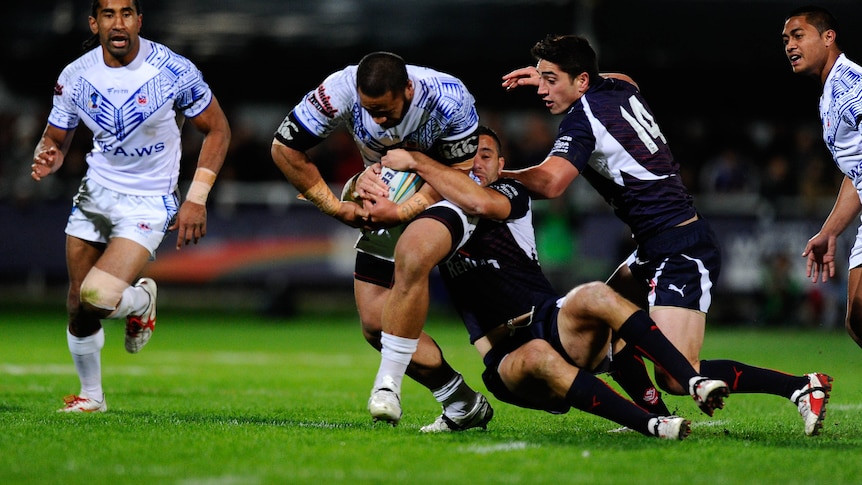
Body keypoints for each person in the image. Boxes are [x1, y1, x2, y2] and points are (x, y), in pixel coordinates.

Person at [500, 33, 832, 436]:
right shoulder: (616, 88)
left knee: (677, 376)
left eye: (551, 79)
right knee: (604, 329)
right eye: (541, 78)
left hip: (682, 249)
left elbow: (551, 184)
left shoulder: (581, 119)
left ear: (582, 80)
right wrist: (553, 74)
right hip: (653, 246)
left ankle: (800, 386)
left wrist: (496, 176)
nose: (543, 89)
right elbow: (624, 77)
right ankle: (652, 417)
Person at [380, 126, 729, 439]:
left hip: (550, 323)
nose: (475, 163)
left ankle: (688, 384)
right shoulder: (436, 217)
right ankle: (651, 423)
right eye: (467, 156)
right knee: (537, 356)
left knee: (596, 294)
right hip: (506, 356)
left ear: (501, 164)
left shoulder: (507, 191)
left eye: (484, 155)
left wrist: (416, 163)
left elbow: (479, 202)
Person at [270, 51, 493, 431]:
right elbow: (283, 148)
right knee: (376, 324)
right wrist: (337, 206)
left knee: (414, 252)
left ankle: (386, 387)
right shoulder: (337, 90)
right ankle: (460, 401)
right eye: (369, 110)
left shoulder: (448, 98)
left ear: (408, 89)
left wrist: (404, 212)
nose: (378, 120)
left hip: (451, 192)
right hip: (388, 189)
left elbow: (459, 172)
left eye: (386, 110)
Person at [31, 0, 231, 412]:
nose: (118, 22)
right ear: (94, 22)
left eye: (126, 13)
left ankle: (141, 300)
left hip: (149, 201)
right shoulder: (76, 76)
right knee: (77, 304)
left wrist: (196, 198)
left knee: (98, 297)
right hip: (97, 192)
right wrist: (47, 153)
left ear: (139, 20)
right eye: (108, 14)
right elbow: (56, 136)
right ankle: (92, 397)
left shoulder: (173, 70)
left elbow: (218, 129)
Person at [784, 6, 862, 349]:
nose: (789, 45)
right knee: (858, 318)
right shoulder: (828, 95)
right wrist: (828, 232)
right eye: (786, 39)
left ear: (828, 37)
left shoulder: (851, 85)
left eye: (798, 35)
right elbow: (855, 171)